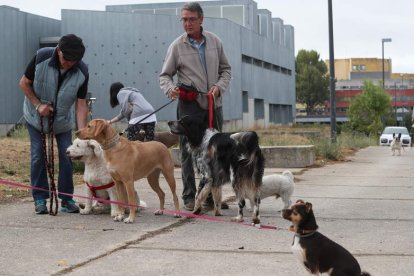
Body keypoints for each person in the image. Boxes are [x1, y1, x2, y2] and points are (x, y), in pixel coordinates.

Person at [159, 2, 232, 211]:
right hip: (189, 106)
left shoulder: (216, 42)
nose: (187, 23)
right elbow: (165, 75)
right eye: (184, 19)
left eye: (191, 19)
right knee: (187, 151)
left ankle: (210, 196)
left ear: (201, 19)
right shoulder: (177, 46)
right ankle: (190, 196)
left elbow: (226, 70)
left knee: (215, 150)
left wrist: (219, 87)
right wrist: (170, 89)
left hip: (213, 104)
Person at [19, 34, 89, 214]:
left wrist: (82, 131)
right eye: (66, 59)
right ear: (58, 51)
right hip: (36, 118)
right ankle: (40, 198)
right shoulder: (41, 57)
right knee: (38, 156)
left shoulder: (82, 71)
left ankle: (66, 198)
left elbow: (81, 104)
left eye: (74, 60)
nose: (69, 63)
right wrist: (38, 104)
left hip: (62, 121)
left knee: (68, 156)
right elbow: (24, 83)